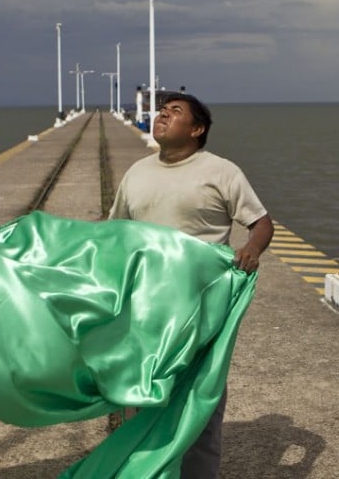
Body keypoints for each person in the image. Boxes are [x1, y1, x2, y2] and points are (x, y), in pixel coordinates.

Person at [109, 91, 274, 478]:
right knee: (139, 394)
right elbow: (114, 232)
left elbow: (261, 223)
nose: (162, 115)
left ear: (197, 129)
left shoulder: (221, 171)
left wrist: (251, 248)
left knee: (198, 399)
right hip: (144, 305)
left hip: (200, 307)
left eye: (174, 112)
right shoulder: (137, 172)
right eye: (161, 111)